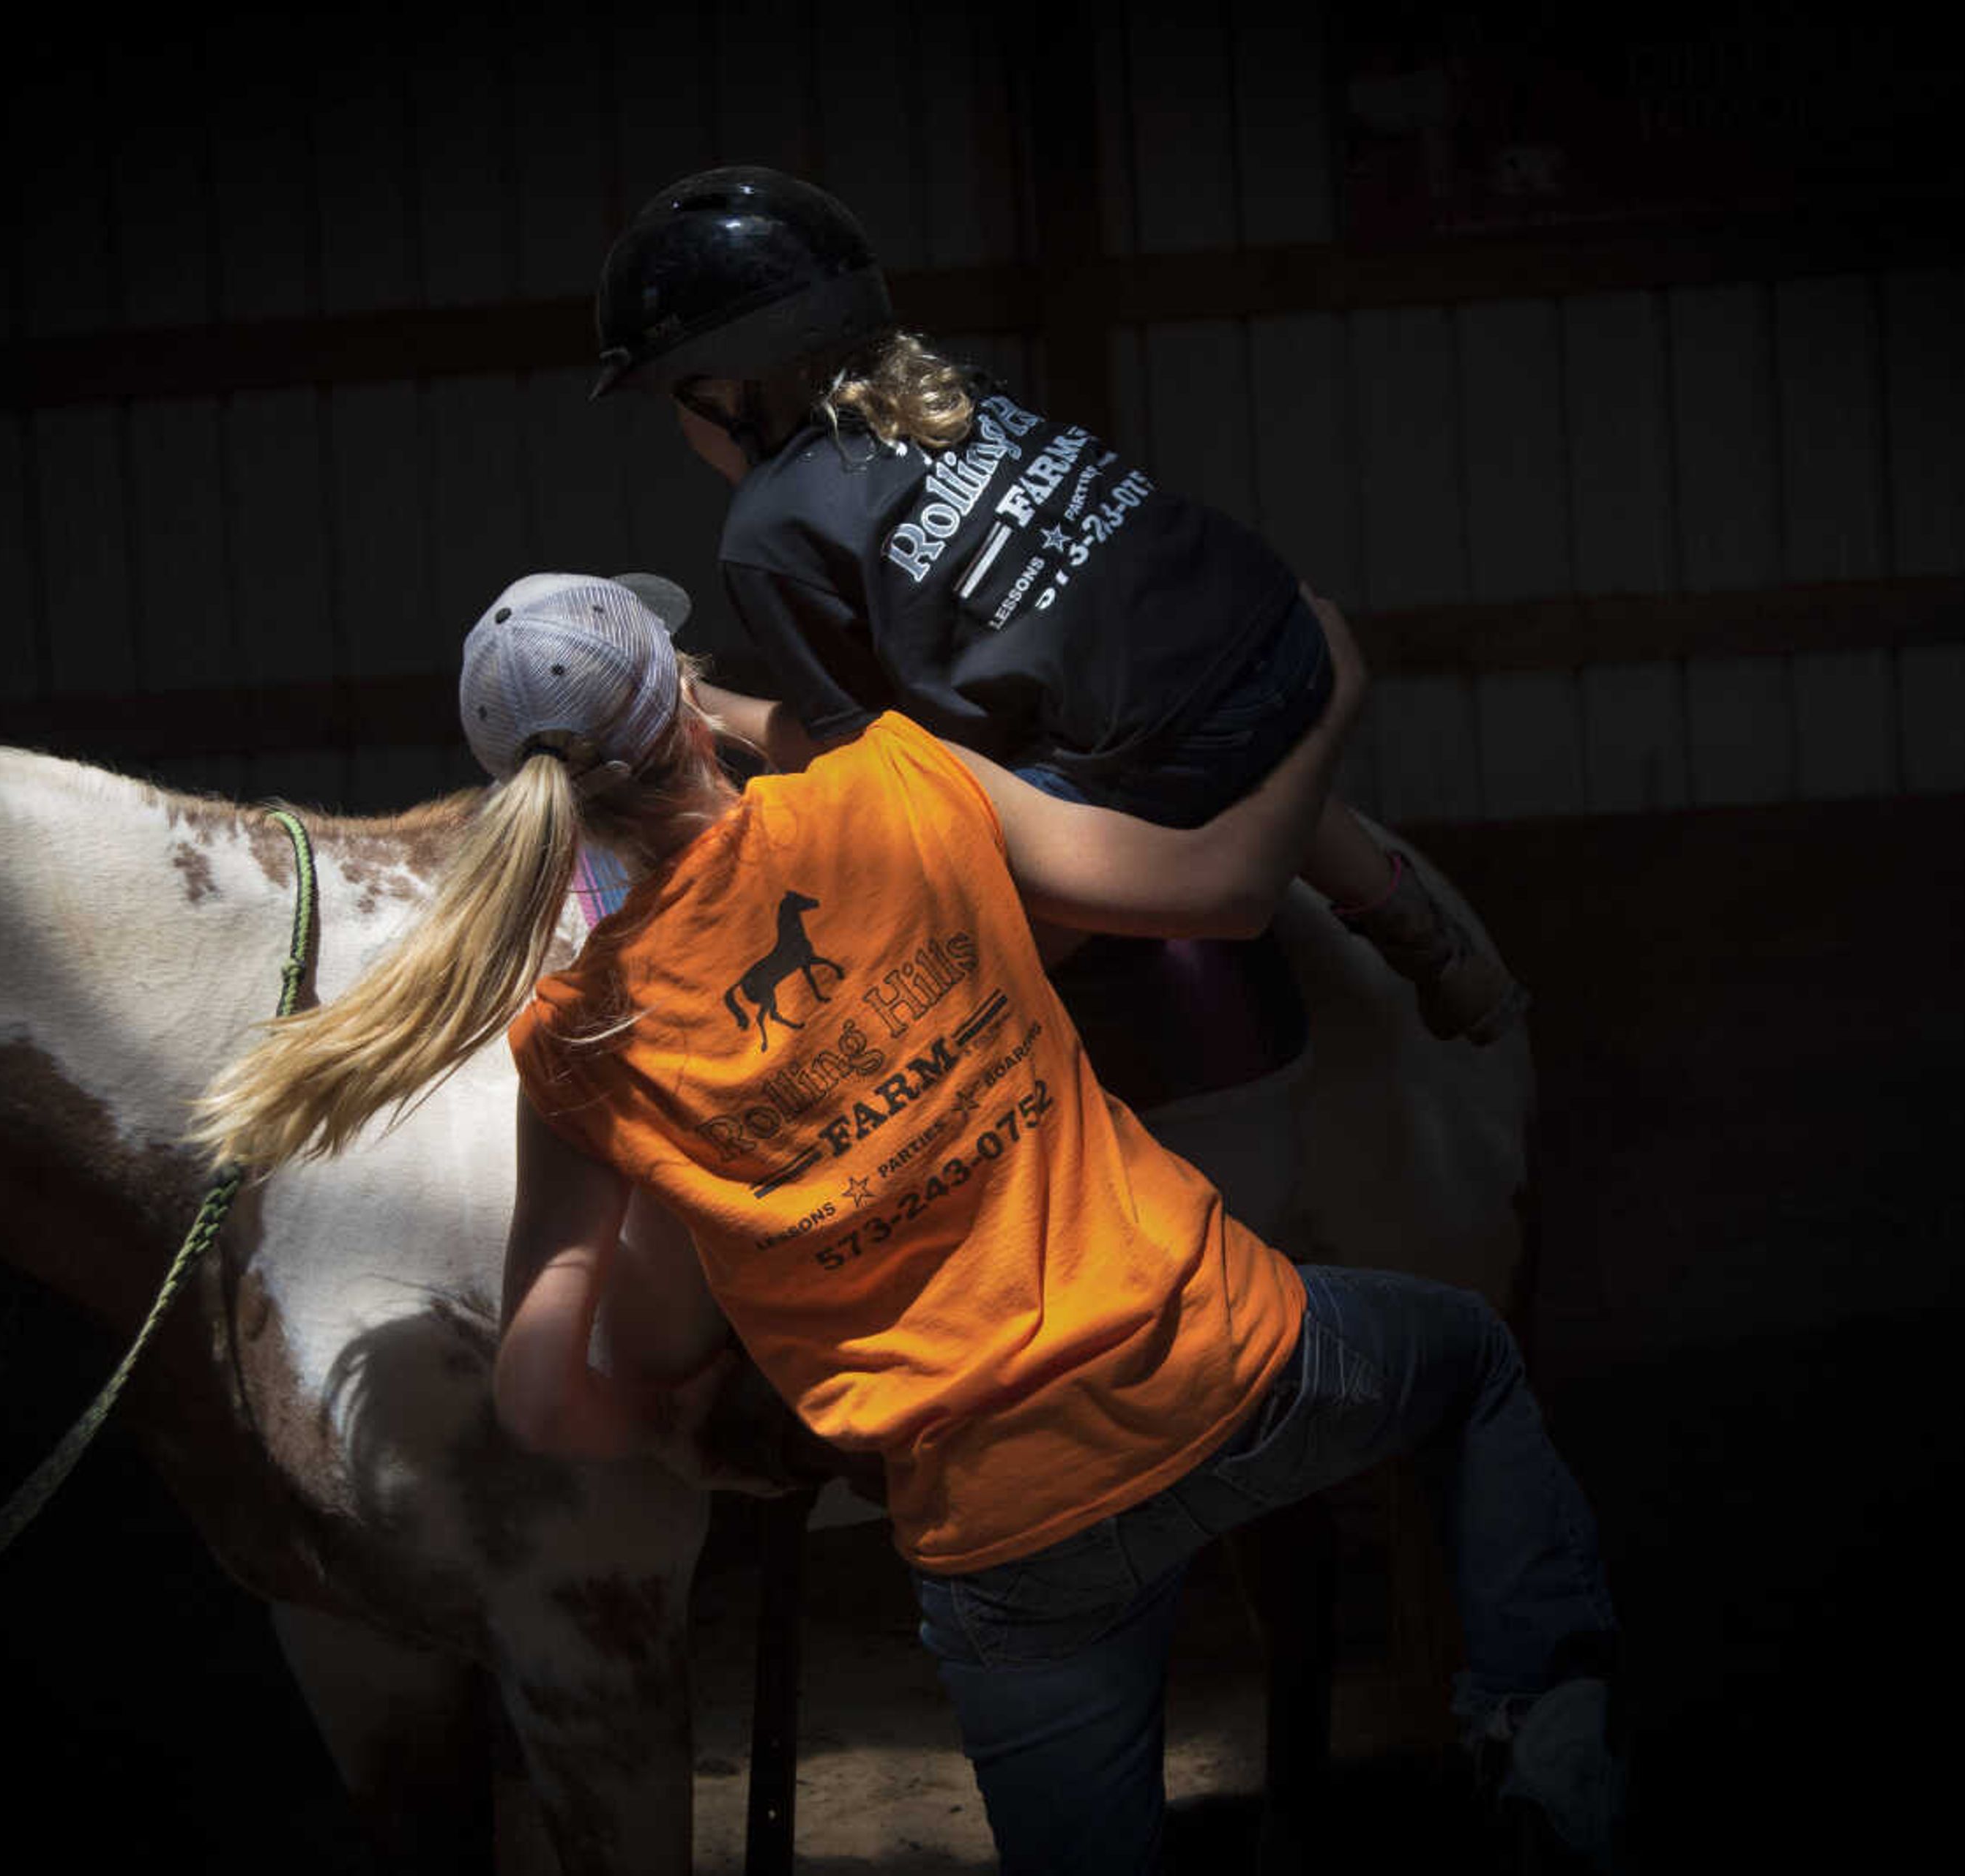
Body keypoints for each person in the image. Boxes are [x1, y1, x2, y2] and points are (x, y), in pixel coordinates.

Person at [193, 572, 1625, 1872]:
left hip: (1004, 1535)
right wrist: (1333, 698)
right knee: (1471, 1369)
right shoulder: (901, 785)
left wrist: (662, 1352)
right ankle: (1541, 1730)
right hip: (1226, 1368)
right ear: (688, 702)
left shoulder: (579, 1038)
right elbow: (1216, 887)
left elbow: (545, 1398)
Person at [589, 163, 1526, 1044]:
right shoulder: (952, 396)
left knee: (928, 981)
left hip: (1168, 757)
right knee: (1179, 700)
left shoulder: (767, 527)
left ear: (729, 389)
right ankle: (1428, 939)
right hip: (1281, 641)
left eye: (680, 399)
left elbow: (879, 768)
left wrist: (709, 707)